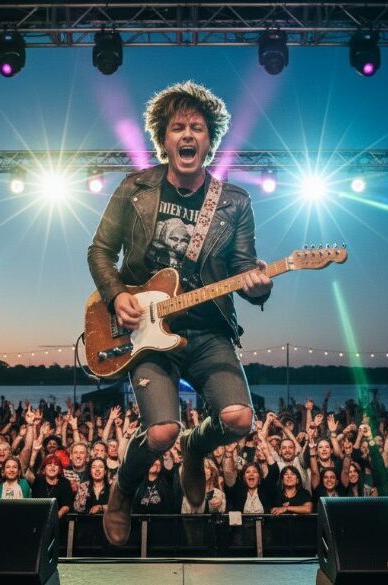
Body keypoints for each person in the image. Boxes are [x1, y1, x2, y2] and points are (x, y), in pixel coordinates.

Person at [88, 81, 272, 545]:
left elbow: (244, 270)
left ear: (209, 140)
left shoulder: (234, 203)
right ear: (164, 139)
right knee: (162, 431)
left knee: (237, 420)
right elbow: (100, 252)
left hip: (209, 328)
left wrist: (259, 285)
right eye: (177, 127)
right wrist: (116, 297)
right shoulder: (136, 188)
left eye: (197, 127)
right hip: (146, 331)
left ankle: (198, 446)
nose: (187, 135)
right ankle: (124, 488)